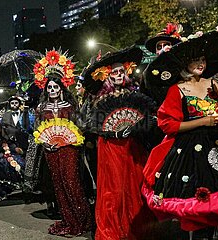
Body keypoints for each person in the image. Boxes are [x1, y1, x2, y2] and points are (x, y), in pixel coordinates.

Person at [142, 30, 218, 239]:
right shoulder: (177, 89)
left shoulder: (213, 83)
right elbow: (168, 125)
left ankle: (214, 233)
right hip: (189, 150)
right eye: (195, 60)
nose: (200, 63)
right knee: (196, 201)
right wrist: (202, 121)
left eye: (202, 59)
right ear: (185, 63)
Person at [83, 46, 157, 240]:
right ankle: (115, 227)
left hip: (133, 146)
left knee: (135, 185)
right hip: (111, 148)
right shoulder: (99, 98)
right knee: (115, 188)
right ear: (107, 75)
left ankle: (136, 226)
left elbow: (148, 118)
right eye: (114, 72)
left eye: (121, 71)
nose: (118, 74)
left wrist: (136, 127)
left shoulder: (135, 93)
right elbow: (93, 125)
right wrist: (114, 132)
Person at [33, 49, 92, 236]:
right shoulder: (41, 108)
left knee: (71, 181)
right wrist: (45, 143)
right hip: (50, 150)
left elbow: (78, 126)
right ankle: (68, 219)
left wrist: (72, 139)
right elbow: (38, 130)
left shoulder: (71, 105)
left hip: (69, 149)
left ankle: (83, 218)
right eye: (49, 87)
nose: (52, 90)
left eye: (55, 87)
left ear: (61, 88)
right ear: (46, 89)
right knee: (58, 184)